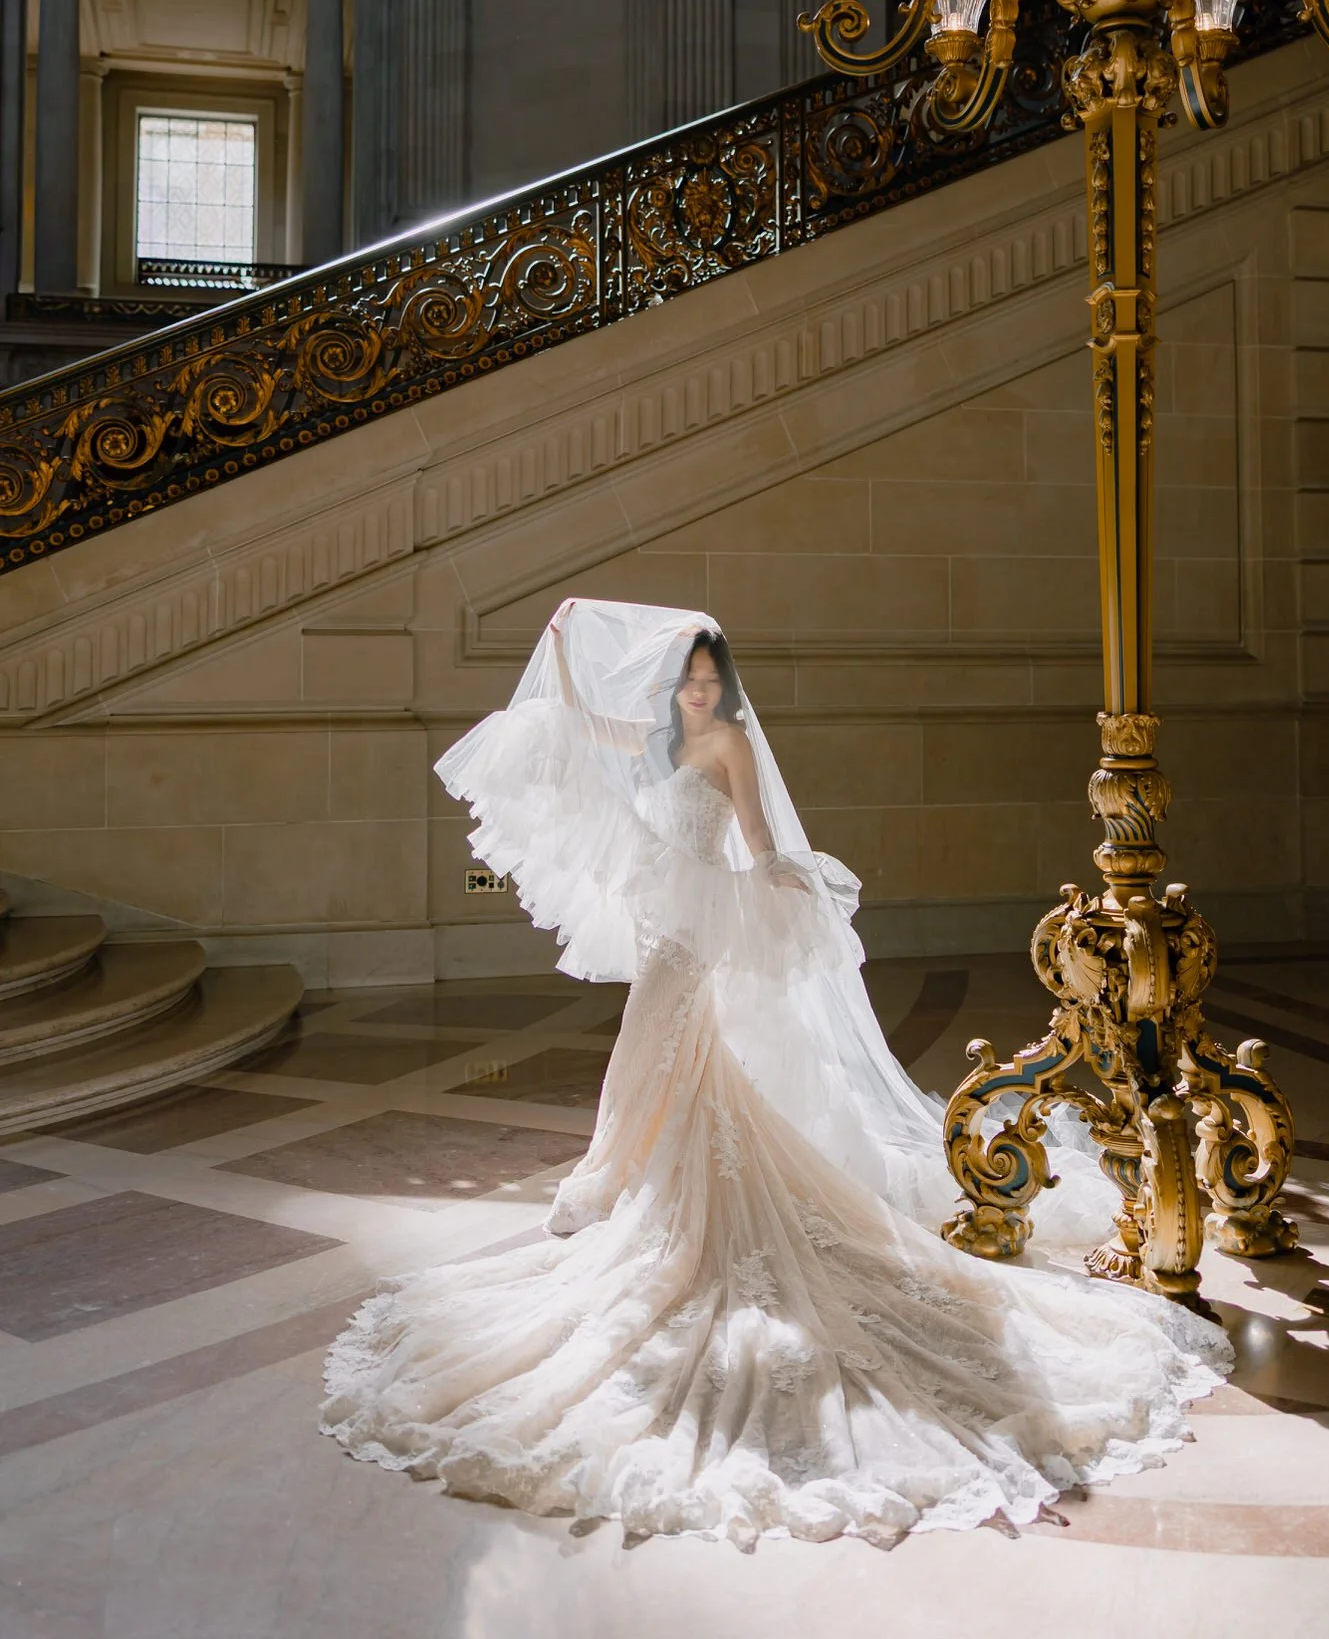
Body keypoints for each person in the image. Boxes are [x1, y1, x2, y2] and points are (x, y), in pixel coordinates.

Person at [322, 598, 1230, 1548]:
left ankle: (617, 1177)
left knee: (651, 1046)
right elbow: (577, 724)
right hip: (657, 915)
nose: (703, 693)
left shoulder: (730, 748)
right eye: (690, 680)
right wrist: (557, 649)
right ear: (673, 685)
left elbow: (754, 840)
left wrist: (785, 880)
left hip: (695, 924)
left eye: (714, 680)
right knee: (669, 1057)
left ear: (727, 687)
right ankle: (635, 1179)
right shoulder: (656, 737)